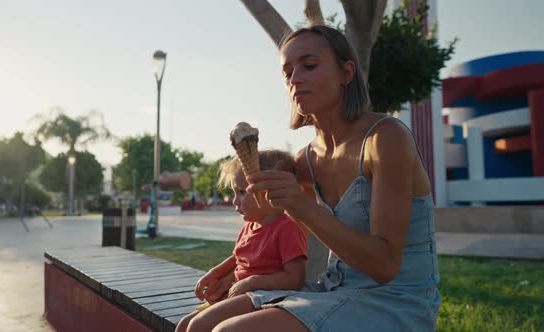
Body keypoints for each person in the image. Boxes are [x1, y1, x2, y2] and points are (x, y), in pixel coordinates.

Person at [188, 25, 441, 332]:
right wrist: (230, 272)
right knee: (197, 324)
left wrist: (303, 207)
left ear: (346, 73)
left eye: (309, 66)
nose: (295, 79)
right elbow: (284, 237)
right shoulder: (305, 161)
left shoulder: (386, 138)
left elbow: (385, 266)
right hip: (331, 290)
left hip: (396, 301)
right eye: (287, 72)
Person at [175, 150, 308, 332]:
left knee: (199, 326)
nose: (235, 201)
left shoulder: (287, 229)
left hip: (264, 297)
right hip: (240, 293)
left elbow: (295, 278)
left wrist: (251, 282)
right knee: (184, 325)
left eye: (241, 192)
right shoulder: (250, 226)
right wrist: (214, 273)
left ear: (269, 193)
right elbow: (238, 258)